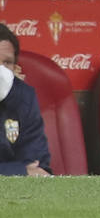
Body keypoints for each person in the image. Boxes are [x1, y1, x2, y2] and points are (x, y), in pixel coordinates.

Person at [0, 23, 52, 177]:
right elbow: (28, 171)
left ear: (15, 67)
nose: (1, 70)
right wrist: (20, 171)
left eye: (7, 63)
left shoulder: (24, 96)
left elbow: (38, 165)